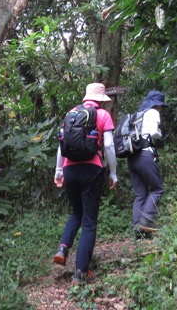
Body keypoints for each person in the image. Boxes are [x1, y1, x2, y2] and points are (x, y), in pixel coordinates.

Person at [52, 83, 118, 284]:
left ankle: (63, 248)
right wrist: (113, 173)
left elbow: (61, 145)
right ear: (101, 100)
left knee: (76, 213)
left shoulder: (71, 113)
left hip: (70, 170)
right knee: (89, 220)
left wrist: (59, 170)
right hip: (92, 169)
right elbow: (108, 144)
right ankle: (80, 271)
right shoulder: (103, 115)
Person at [128, 90, 167, 237]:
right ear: (157, 105)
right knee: (157, 189)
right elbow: (153, 133)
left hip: (132, 157)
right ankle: (145, 221)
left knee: (140, 194)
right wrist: (160, 133)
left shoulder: (137, 115)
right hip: (145, 155)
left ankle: (137, 229)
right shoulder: (152, 113)